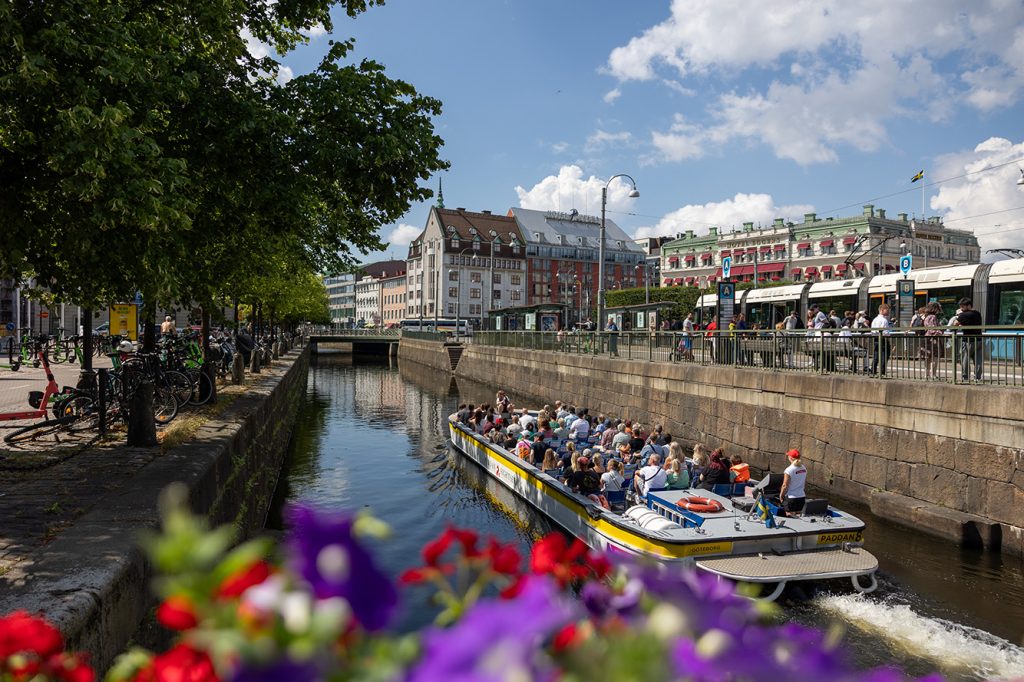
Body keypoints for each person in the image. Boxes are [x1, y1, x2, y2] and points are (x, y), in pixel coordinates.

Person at [951, 297, 984, 382]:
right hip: (979, 339)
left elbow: (954, 325)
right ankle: (977, 377)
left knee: (964, 359)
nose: (961, 309)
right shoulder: (977, 313)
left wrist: (958, 315)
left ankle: (965, 377)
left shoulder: (963, 315)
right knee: (978, 360)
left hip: (968, 340)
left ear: (969, 306)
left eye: (963, 307)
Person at [921, 301, 945, 379]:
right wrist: (940, 332)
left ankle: (926, 374)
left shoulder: (926, 316)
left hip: (927, 338)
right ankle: (933, 374)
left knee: (927, 357)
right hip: (933, 339)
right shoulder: (933, 317)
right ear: (935, 309)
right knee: (934, 357)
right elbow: (932, 329)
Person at [780, 448, 807, 514]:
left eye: (788, 456)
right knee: (798, 517)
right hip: (801, 497)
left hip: (791, 498)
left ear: (791, 458)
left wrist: (781, 495)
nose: (788, 457)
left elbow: (784, 485)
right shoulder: (804, 468)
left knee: (790, 517)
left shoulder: (789, 470)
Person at [870, 304, 892, 376]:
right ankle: (882, 372)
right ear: (882, 310)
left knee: (876, 355)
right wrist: (888, 335)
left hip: (876, 339)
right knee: (884, 355)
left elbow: (872, 331)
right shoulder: (884, 320)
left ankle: (873, 371)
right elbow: (885, 332)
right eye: (887, 310)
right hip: (883, 339)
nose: (888, 311)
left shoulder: (874, 319)